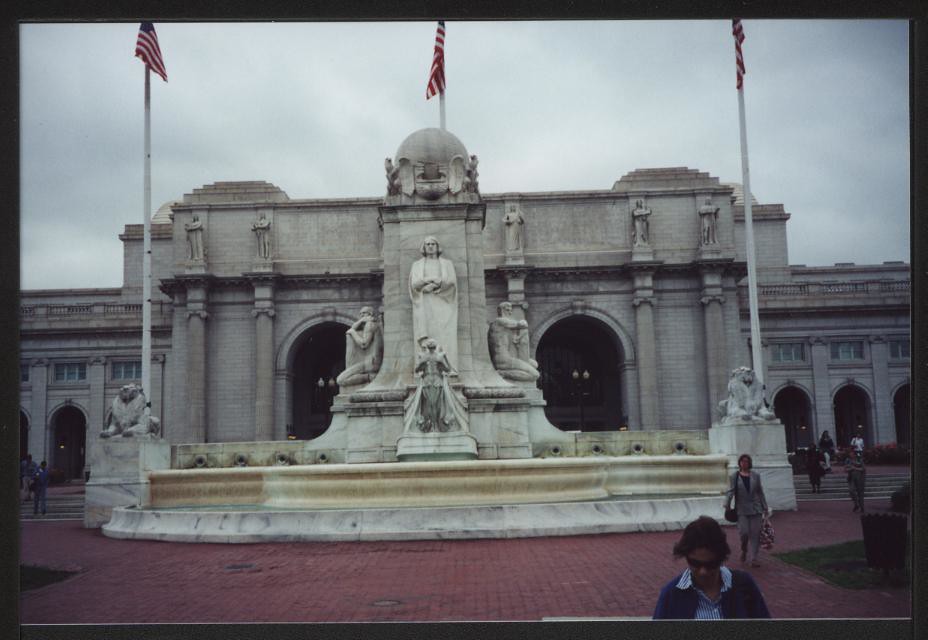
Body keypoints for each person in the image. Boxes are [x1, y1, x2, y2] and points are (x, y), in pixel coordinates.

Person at [653, 516, 771, 619]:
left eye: (711, 564)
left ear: (721, 558)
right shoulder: (671, 595)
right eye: (695, 563)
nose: (703, 572)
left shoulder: (744, 585)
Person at [409, 235, 458, 370]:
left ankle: (447, 364)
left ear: (437, 247)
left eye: (433, 244)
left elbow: (451, 282)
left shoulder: (447, 264)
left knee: (444, 333)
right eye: (428, 244)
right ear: (424, 248)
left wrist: (434, 286)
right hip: (424, 303)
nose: (430, 246)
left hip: (443, 302)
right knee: (428, 331)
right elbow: (414, 283)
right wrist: (431, 280)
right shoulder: (417, 265)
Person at [724, 454, 770, 567]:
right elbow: (730, 491)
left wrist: (765, 507)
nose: (744, 463)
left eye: (746, 461)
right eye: (742, 461)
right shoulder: (734, 476)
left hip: (756, 508)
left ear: (749, 463)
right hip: (742, 509)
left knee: (755, 534)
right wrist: (727, 504)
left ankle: (754, 559)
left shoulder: (756, 476)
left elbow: (760, 492)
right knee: (744, 533)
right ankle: (744, 549)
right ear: (739, 463)